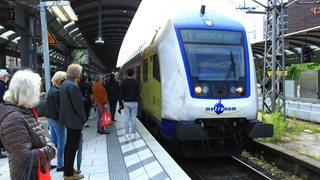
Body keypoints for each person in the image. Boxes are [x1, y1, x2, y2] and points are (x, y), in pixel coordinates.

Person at [0, 69, 57, 180]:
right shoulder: (13, 118)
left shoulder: (25, 109)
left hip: (36, 173)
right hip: (27, 175)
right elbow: (25, 155)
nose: (37, 94)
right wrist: (51, 150)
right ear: (27, 92)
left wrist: (49, 145)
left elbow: (40, 134)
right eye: (35, 90)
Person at [59, 64, 86, 180]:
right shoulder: (73, 85)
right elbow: (78, 105)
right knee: (72, 147)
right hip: (74, 120)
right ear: (78, 74)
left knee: (68, 146)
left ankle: (68, 169)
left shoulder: (64, 83)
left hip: (68, 119)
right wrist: (84, 119)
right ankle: (69, 174)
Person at [46, 71, 67, 172]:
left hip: (50, 118)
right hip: (57, 120)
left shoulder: (51, 89)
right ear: (60, 80)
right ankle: (60, 165)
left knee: (53, 142)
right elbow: (60, 109)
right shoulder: (58, 92)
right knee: (61, 142)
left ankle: (48, 164)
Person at [119, 68, 140, 139]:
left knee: (127, 118)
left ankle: (127, 134)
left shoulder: (123, 82)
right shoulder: (136, 82)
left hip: (126, 103)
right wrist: (137, 99)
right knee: (133, 117)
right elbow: (138, 93)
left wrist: (121, 102)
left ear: (127, 74)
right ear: (133, 74)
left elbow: (121, 94)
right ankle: (134, 133)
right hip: (134, 102)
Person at [0, 69, 9, 159]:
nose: (7, 77)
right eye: (6, 76)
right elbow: (3, 98)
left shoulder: (3, 84)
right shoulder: (1, 85)